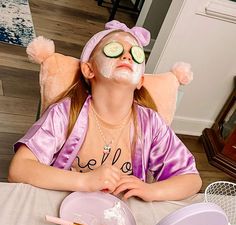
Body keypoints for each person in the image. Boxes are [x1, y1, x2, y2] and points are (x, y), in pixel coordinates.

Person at [8, 20, 202, 201]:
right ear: (88, 70)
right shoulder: (65, 113)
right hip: (63, 207)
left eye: (136, 54)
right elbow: (19, 168)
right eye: (114, 49)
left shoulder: (152, 124)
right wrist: (85, 181)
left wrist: (152, 190)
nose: (127, 56)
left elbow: (192, 180)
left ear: (140, 81)